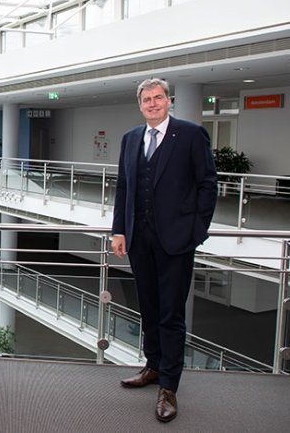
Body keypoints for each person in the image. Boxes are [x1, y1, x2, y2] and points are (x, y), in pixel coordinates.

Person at [112, 78, 217, 422]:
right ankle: (153, 366)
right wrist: (119, 231)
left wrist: (196, 232)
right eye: (147, 99)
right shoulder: (130, 139)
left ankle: (169, 386)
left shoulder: (190, 135)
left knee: (171, 313)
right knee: (149, 308)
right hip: (140, 240)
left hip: (176, 242)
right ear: (139, 104)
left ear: (169, 101)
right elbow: (124, 188)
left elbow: (207, 184)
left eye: (159, 98)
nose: (153, 103)